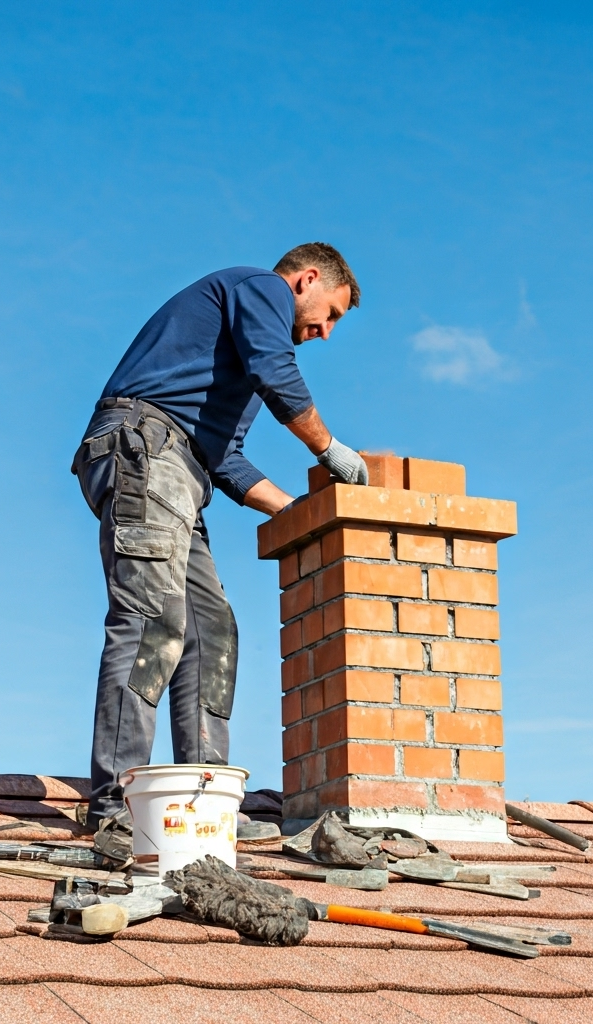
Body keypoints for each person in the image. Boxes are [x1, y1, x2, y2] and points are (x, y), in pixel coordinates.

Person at [71, 242, 368, 861]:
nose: (326, 333)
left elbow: (224, 460)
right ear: (306, 280)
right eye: (331, 314)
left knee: (211, 633)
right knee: (154, 621)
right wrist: (328, 448)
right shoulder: (259, 289)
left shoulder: (236, 366)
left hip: (181, 470)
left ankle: (202, 808)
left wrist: (298, 512)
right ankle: (114, 807)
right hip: (144, 451)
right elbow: (277, 370)